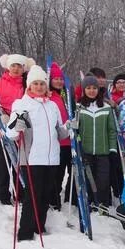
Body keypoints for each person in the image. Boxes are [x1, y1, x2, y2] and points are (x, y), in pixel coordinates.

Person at [6, 65, 69, 241]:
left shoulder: (52, 106)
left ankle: (38, 227)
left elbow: (60, 132)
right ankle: (25, 233)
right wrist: (17, 126)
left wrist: (70, 127)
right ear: (29, 85)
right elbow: (11, 133)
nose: (39, 87)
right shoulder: (22, 104)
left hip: (51, 158)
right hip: (32, 158)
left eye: (42, 83)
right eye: (36, 83)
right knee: (32, 196)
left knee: (46, 194)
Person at [0, 53, 35, 205]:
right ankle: (2, 193)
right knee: (1, 161)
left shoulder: (26, 84)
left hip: (18, 129)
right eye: (13, 65)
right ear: (8, 66)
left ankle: (20, 193)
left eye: (19, 66)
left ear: (24, 68)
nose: (16, 69)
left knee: (18, 162)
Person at [76, 75, 117, 206]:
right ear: (84, 89)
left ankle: (102, 203)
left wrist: (112, 149)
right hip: (86, 150)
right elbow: (76, 129)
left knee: (103, 179)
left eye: (94, 88)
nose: (92, 90)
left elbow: (111, 130)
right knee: (88, 178)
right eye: (88, 88)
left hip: (103, 151)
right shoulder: (79, 107)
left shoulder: (106, 107)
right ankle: (89, 202)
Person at [48, 62, 72, 210]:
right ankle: (53, 199)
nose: (59, 81)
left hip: (70, 140)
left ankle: (70, 197)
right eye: (56, 79)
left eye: (61, 79)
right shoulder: (49, 96)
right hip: (57, 141)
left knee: (72, 171)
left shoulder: (66, 94)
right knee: (58, 172)